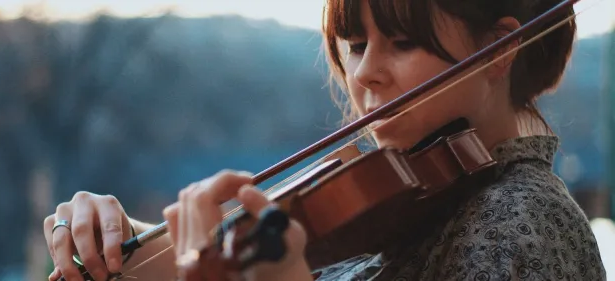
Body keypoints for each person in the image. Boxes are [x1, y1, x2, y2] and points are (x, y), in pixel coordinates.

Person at [43, 0, 607, 280]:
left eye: (402, 43)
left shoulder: (523, 222)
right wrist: (128, 248)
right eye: (357, 45)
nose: (365, 74)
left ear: (499, 51)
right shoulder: (404, 202)